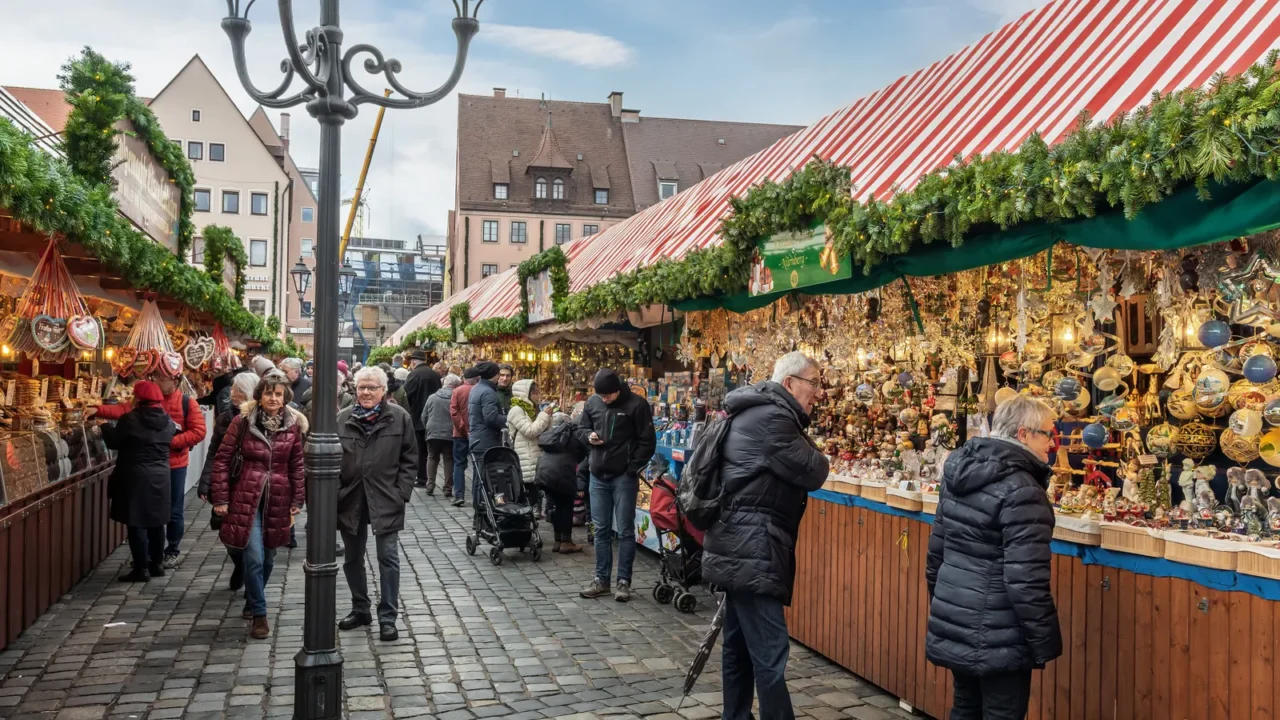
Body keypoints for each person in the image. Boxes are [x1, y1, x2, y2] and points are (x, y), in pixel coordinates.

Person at [703, 351, 830, 720]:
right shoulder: (774, 419)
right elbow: (815, 469)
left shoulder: (756, 411)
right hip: (752, 549)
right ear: (789, 383)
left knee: (739, 648)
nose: (818, 392)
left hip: (738, 544)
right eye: (814, 382)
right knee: (770, 654)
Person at [926, 395, 1062, 720]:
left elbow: (936, 555)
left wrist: (951, 610)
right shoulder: (1023, 490)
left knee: (965, 708)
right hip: (1001, 633)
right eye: (1047, 433)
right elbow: (1025, 581)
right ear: (1023, 434)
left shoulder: (959, 475)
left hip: (960, 620)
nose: (1053, 443)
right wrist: (1044, 640)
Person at [210, 372, 307, 640]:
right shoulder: (242, 422)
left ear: (285, 397)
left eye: (278, 394)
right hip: (246, 497)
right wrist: (220, 497)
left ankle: (253, 599)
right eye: (268, 393)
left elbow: (296, 464)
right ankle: (260, 615)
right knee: (254, 556)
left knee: (270, 557)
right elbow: (222, 459)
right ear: (260, 396)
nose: (273, 398)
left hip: (278, 498)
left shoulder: (292, 426)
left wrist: (298, 498)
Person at [90, 373, 206, 568]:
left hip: (168, 466)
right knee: (157, 517)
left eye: (162, 379)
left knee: (158, 513)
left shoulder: (187, 403)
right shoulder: (164, 420)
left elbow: (199, 431)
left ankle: (160, 555)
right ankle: (155, 561)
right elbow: (121, 409)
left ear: (175, 382)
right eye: (156, 379)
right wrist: (98, 409)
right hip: (160, 470)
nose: (158, 382)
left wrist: (168, 443)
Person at [336, 367, 418, 642]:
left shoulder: (399, 418)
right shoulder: (343, 419)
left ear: (383, 390)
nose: (366, 392)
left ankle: (388, 617)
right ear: (355, 390)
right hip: (351, 498)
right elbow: (332, 459)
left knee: (388, 557)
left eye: (372, 387)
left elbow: (410, 458)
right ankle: (361, 608)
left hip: (386, 496)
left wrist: (401, 492)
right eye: (362, 388)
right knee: (352, 558)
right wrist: (337, 491)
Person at [576, 369, 655, 602]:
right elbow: (580, 430)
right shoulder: (593, 402)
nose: (604, 400)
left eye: (607, 396)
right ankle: (601, 580)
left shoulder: (637, 405)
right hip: (598, 474)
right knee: (600, 530)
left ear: (617, 390)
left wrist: (632, 468)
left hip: (623, 476)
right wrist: (588, 436)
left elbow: (647, 441)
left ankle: (623, 582)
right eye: (600, 396)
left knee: (625, 530)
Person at [104, 381, 176, 583]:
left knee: (136, 522)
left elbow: (114, 442)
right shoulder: (167, 420)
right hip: (161, 475)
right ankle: (157, 564)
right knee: (156, 521)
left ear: (138, 398)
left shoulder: (130, 419)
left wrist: (101, 426)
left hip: (135, 475)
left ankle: (141, 568)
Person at [198, 371, 261, 591]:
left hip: (250, 483)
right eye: (233, 389)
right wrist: (205, 482)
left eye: (238, 390)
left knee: (249, 532)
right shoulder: (225, 417)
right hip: (226, 482)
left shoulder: (259, 418)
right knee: (224, 530)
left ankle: (251, 581)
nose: (232, 393)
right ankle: (239, 562)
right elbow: (214, 452)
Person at [535, 412, 587, 553]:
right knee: (566, 506)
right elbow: (583, 456)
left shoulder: (562, 429)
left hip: (544, 470)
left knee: (557, 506)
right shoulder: (578, 433)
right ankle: (566, 542)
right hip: (561, 471)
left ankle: (557, 541)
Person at [507, 379, 554, 512]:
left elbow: (544, 431)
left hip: (535, 454)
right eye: (534, 392)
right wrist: (544, 416)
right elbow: (530, 431)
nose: (537, 395)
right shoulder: (516, 410)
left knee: (535, 489)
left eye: (538, 392)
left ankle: (533, 511)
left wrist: (548, 417)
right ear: (525, 393)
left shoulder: (533, 408)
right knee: (528, 490)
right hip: (525, 456)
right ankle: (527, 515)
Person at [467, 362, 507, 510]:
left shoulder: (477, 388)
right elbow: (491, 417)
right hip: (486, 441)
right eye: (499, 374)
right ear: (494, 375)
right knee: (483, 479)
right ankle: (481, 510)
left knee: (479, 478)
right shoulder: (488, 392)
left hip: (478, 439)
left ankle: (479, 511)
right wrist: (508, 419)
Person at [403, 349, 442, 489]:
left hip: (418, 417)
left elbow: (406, 393)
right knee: (431, 451)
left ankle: (421, 478)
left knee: (420, 450)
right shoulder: (434, 374)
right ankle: (429, 478)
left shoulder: (415, 374)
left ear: (414, 361)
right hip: (433, 416)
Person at [422, 374, 460, 497]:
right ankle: (448, 488)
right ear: (456, 386)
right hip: (450, 432)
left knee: (432, 457)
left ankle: (430, 484)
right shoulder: (456, 398)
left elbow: (424, 415)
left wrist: (428, 426)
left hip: (433, 431)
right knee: (448, 459)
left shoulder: (432, 397)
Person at [449, 368, 479, 507]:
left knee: (459, 464)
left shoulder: (458, 391)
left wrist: (462, 427)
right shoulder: (479, 391)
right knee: (477, 465)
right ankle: (476, 495)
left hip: (460, 434)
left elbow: (454, 412)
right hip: (477, 432)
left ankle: (459, 495)